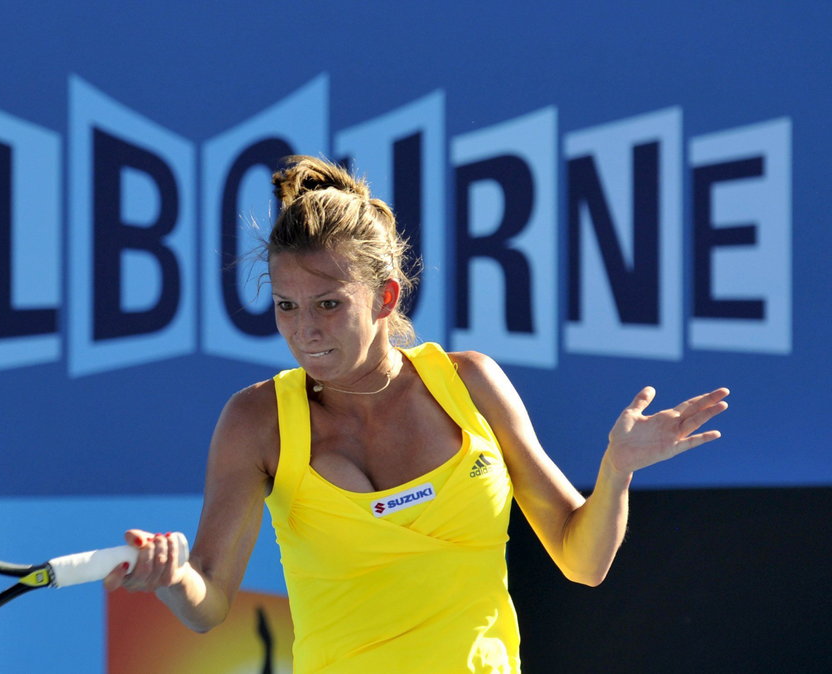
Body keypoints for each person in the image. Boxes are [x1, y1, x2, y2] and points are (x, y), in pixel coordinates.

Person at [104, 155, 729, 673]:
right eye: (287, 305)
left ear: (385, 298)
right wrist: (173, 575)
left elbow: (582, 560)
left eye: (327, 304)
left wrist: (616, 468)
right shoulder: (257, 420)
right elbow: (207, 604)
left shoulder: (471, 383)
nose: (304, 330)